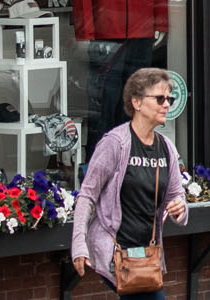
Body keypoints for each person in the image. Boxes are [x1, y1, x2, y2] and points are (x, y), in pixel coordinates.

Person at [71, 66, 189, 286]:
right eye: (160, 98)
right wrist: (79, 246)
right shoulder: (115, 143)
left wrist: (179, 208)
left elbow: (177, 196)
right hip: (115, 251)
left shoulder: (166, 148)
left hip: (146, 254)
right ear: (136, 102)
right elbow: (87, 195)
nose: (166, 105)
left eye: (169, 99)